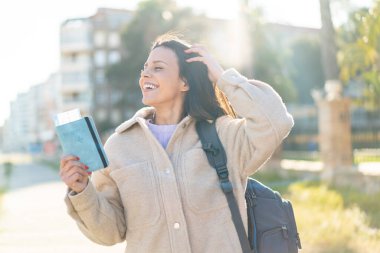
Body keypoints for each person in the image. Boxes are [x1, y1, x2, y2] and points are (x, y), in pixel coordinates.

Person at [59, 33, 294, 253]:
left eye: (158, 68)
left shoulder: (223, 135)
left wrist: (222, 77)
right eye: (145, 68)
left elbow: (276, 121)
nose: (145, 75)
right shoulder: (119, 146)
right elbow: (110, 233)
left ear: (185, 82)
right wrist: (82, 190)